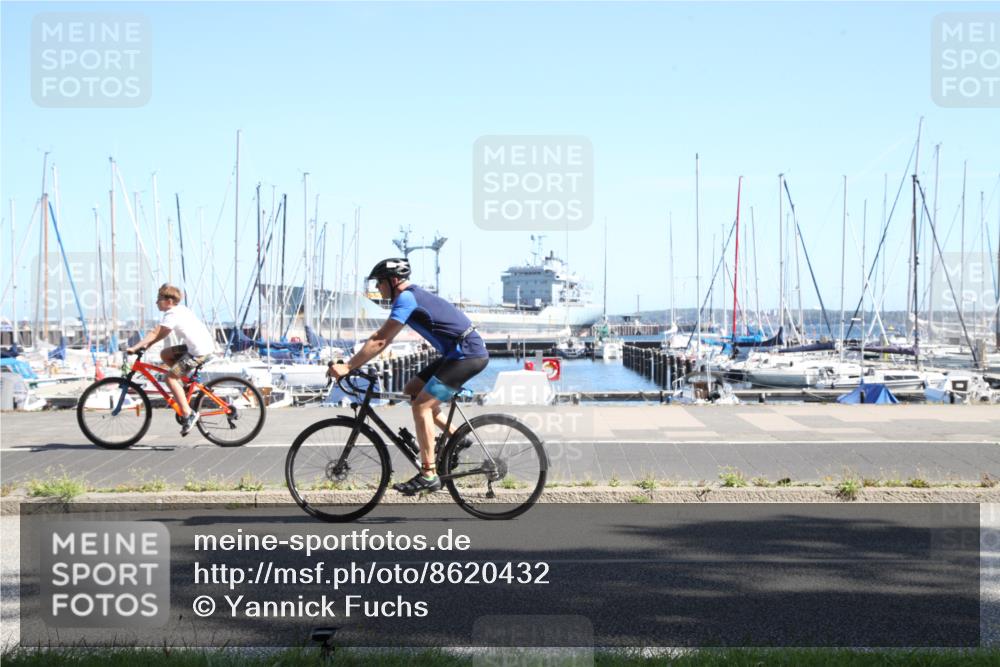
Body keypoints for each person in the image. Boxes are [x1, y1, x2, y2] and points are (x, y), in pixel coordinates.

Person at [327, 258, 489, 495]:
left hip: (467, 356)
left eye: (379, 283)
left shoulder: (406, 298)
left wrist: (349, 366)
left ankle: (428, 474)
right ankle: (458, 438)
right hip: (458, 354)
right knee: (412, 390)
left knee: (422, 406)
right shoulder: (410, 297)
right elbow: (380, 337)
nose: (377, 289)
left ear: (393, 281)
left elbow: (381, 339)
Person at [126, 284, 216, 436]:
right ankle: (184, 383)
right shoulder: (180, 310)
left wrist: (136, 347)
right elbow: (162, 334)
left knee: (170, 379)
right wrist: (149, 344)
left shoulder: (172, 314)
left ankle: (188, 414)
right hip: (200, 347)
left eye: (159, 299)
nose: (156, 303)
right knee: (165, 354)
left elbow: (155, 332)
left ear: (168, 301)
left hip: (198, 352)